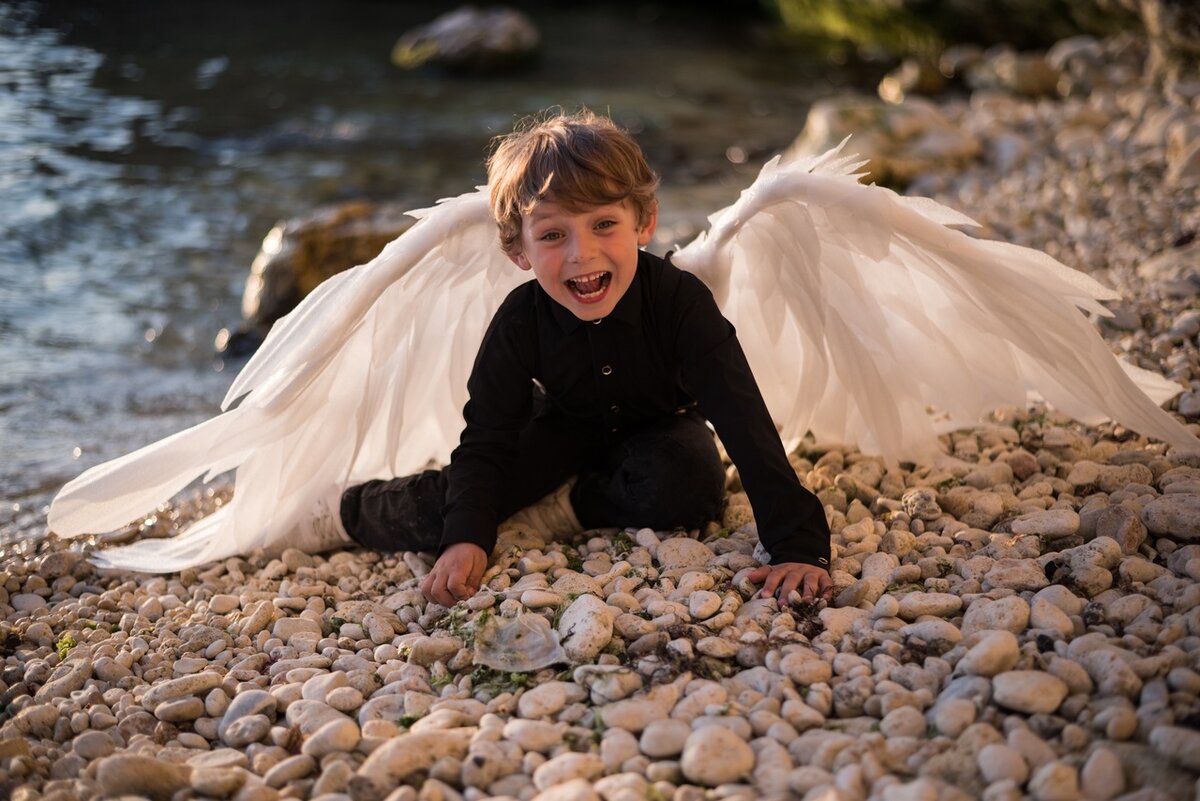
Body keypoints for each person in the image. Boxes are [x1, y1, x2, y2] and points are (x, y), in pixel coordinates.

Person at [333, 110, 833, 607]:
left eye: (604, 224)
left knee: (692, 482)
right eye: (553, 235)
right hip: (559, 427)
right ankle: (342, 509)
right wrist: (467, 536)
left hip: (656, 427)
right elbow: (486, 436)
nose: (582, 252)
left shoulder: (680, 301)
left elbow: (742, 418)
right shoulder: (519, 320)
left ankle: (564, 506)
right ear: (517, 249)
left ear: (645, 222)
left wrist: (798, 545)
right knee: (443, 512)